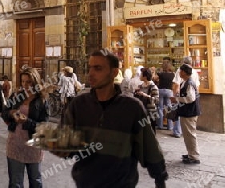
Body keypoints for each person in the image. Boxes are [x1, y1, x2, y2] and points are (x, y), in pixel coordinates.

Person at [59, 49, 168, 188]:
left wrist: (160, 178)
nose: (91, 73)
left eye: (98, 68)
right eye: (90, 67)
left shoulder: (132, 108)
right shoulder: (79, 105)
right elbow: (64, 145)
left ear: (114, 72)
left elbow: (148, 146)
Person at [1, 67, 49, 188]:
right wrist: (11, 113)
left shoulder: (41, 100)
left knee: (36, 181)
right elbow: (4, 112)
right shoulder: (17, 95)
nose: (25, 85)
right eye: (23, 81)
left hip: (33, 145)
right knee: (15, 183)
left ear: (35, 81)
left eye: (28, 82)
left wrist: (27, 121)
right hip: (15, 144)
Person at [170, 64, 201, 164]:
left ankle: (194, 156)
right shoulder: (186, 82)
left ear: (183, 72)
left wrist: (177, 99)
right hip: (187, 112)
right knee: (187, 134)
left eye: (180, 71)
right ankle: (191, 153)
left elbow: (190, 98)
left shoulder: (189, 83)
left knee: (190, 134)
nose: (179, 72)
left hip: (190, 112)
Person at [171, 56, 200, 138]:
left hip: (184, 98)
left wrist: (175, 97)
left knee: (179, 113)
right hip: (192, 101)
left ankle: (177, 131)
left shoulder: (181, 71)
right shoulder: (194, 72)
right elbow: (197, 86)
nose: (180, 72)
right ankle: (185, 132)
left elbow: (176, 84)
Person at [134, 67, 159, 133]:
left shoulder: (153, 87)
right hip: (141, 111)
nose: (140, 75)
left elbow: (156, 100)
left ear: (145, 76)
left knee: (151, 131)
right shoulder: (140, 86)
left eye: (141, 74)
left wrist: (145, 95)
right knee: (142, 131)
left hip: (150, 112)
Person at [156, 62, 175, 130]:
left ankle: (160, 125)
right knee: (169, 108)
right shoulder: (173, 74)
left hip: (160, 91)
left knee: (160, 108)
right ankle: (170, 126)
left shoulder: (161, 74)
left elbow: (155, 76)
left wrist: (160, 69)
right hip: (169, 91)